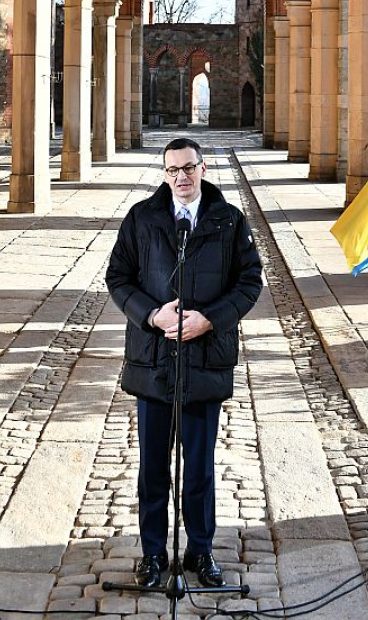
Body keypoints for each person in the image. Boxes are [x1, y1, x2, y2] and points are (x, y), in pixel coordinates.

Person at [105, 137, 262, 590]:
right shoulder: (142, 218)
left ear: (203, 168)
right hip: (153, 359)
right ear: (165, 173)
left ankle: (201, 549)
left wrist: (209, 319)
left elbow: (249, 282)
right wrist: (152, 315)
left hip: (203, 360)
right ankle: (153, 553)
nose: (181, 177)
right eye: (173, 170)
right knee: (153, 465)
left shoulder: (230, 221)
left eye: (189, 167)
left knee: (199, 465)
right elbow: (118, 277)